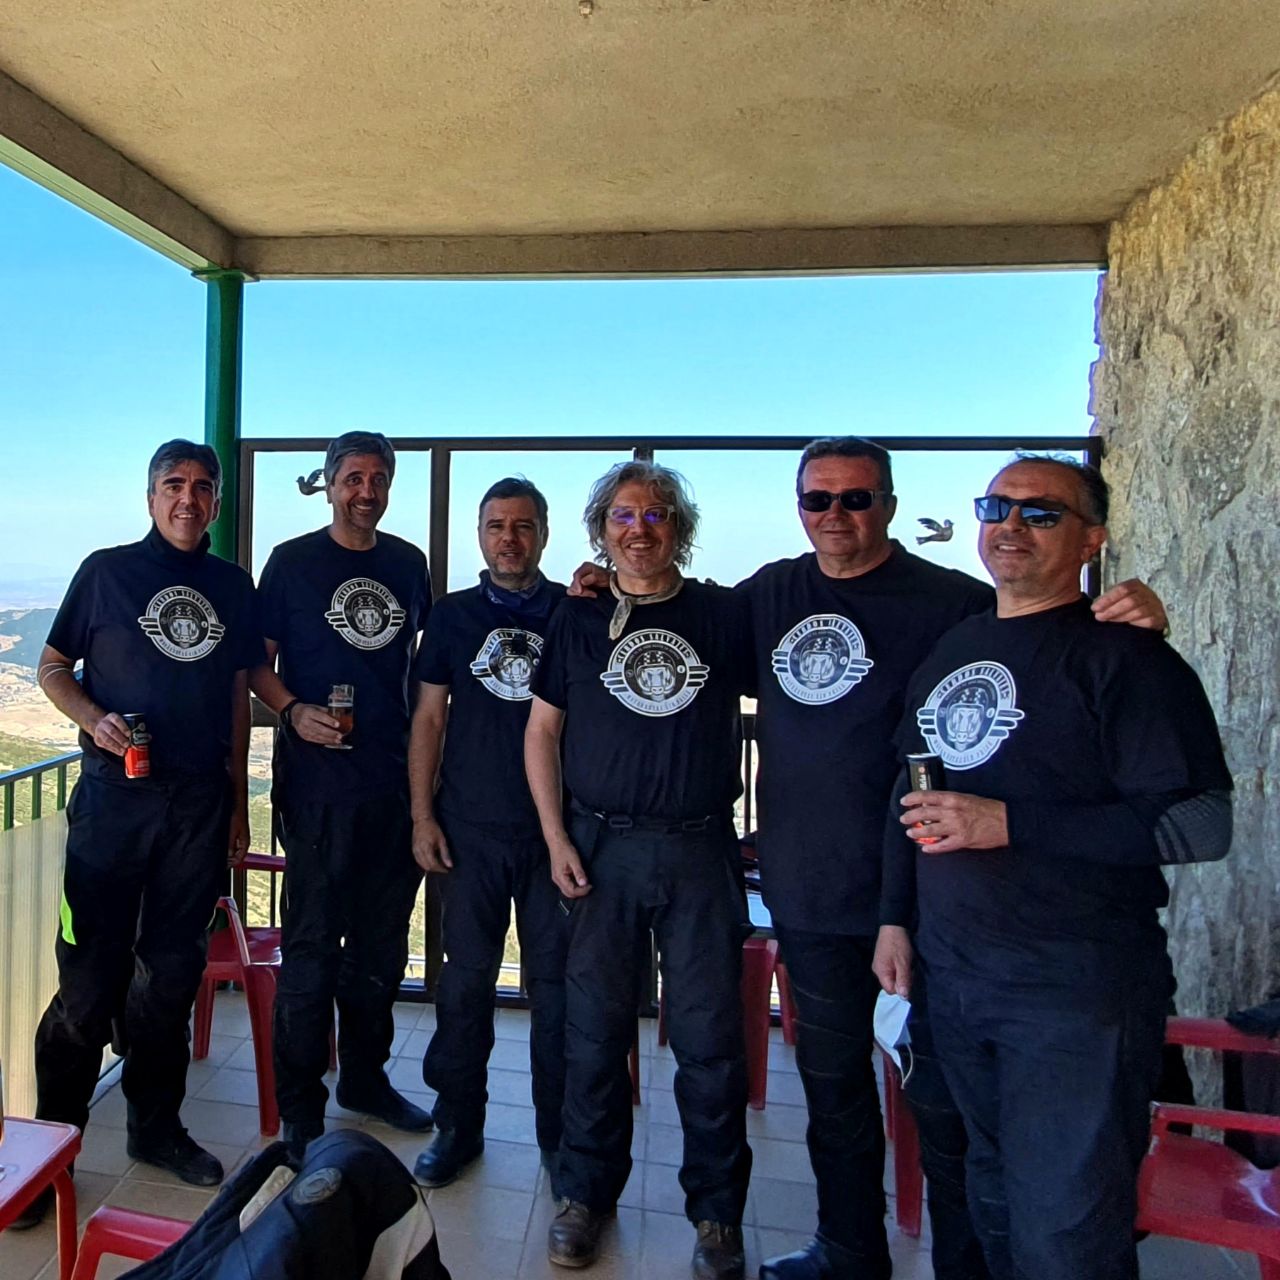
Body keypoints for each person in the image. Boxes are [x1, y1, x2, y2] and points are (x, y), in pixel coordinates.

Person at [572, 438, 1167, 1280]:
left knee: (947, 1110)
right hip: (810, 893)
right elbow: (671, 614)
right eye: (818, 499)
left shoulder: (952, 603)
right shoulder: (770, 594)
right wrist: (602, 587)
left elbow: (1042, 630)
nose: (835, 515)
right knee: (836, 1095)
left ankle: (967, 1267)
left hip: (931, 898)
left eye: (856, 499)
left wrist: (1129, 616)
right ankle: (849, 1250)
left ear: (888, 505)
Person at [877, 454, 1232, 1280]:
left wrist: (1011, 824)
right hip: (954, 978)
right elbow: (909, 789)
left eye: (1041, 513)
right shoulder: (956, 647)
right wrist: (895, 919)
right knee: (994, 1198)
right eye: (997, 508)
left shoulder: (1129, 660)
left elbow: (1199, 824)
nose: (1011, 526)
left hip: (1074, 991)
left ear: (1091, 540)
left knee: (1068, 1228)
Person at [20, 440, 261, 1227]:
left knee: (170, 976)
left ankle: (156, 1129)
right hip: (111, 810)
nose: (188, 498)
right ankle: (52, 1149)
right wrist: (94, 720)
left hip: (196, 810)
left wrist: (237, 800)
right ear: (151, 496)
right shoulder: (106, 572)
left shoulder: (231, 585)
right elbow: (53, 667)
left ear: (216, 501)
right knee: (87, 986)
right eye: (173, 484)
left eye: (202, 486)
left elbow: (236, 694)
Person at [526, 461, 753, 1280]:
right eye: (623, 515)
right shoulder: (578, 617)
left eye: (657, 515)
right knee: (593, 1035)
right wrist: (555, 837)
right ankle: (584, 1196)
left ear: (679, 529)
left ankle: (717, 1216)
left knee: (709, 1044)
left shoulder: (722, 616)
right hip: (602, 849)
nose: (640, 529)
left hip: (699, 851)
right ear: (601, 530)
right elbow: (542, 732)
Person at [251, 430, 432, 1154]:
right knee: (312, 951)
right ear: (328, 485)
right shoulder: (292, 562)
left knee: (380, 952)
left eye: (378, 478)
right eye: (353, 478)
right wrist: (293, 710)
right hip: (317, 791)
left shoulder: (408, 564)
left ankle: (364, 1079)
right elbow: (255, 666)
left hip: (393, 785)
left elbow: (426, 669)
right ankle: (300, 1109)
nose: (366, 490)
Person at [408, 477, 568, 1189]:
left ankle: (559, 1139)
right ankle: (457, 1127)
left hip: (554, 838)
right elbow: (429, 719)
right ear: (479, 535)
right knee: (464, 987)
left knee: (557, 992)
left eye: (523, 525)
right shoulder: (451, 616)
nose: (510, 538)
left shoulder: (573, 611)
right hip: (468, 829)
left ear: (543, 534)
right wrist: (422, 815)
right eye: (497, 526)